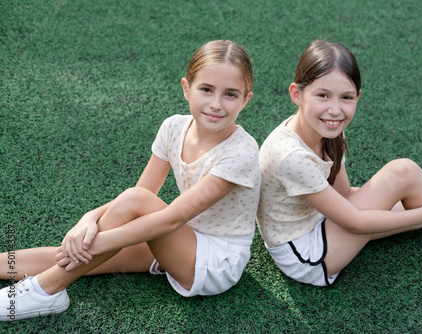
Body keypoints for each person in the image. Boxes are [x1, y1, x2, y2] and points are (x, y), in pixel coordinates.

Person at [0, 40, 260, 321]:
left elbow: (169, 217)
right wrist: (88, 219)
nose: (216, 104)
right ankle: (35, 278)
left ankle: (46, 291)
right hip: (181, 237)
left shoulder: (242, 152)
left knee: (94, 245)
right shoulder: (174, 127)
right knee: (71, 255)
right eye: (206, 89)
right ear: (187, 88)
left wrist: (99, 242)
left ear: (246, 99)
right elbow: (141, 192)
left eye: (230, 94)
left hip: (215, 261)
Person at [257, 39, 422, 287]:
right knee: (405, 177)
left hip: (323, 220)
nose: (335, 109)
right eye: (323, 95)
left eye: (346, 98)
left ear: (357, 97)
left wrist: (413, 189)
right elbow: (355, 221)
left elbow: (342, 195)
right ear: (297, 94)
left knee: (409, 179)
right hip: (308, 256)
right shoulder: (292, 157)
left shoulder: (328, 129)